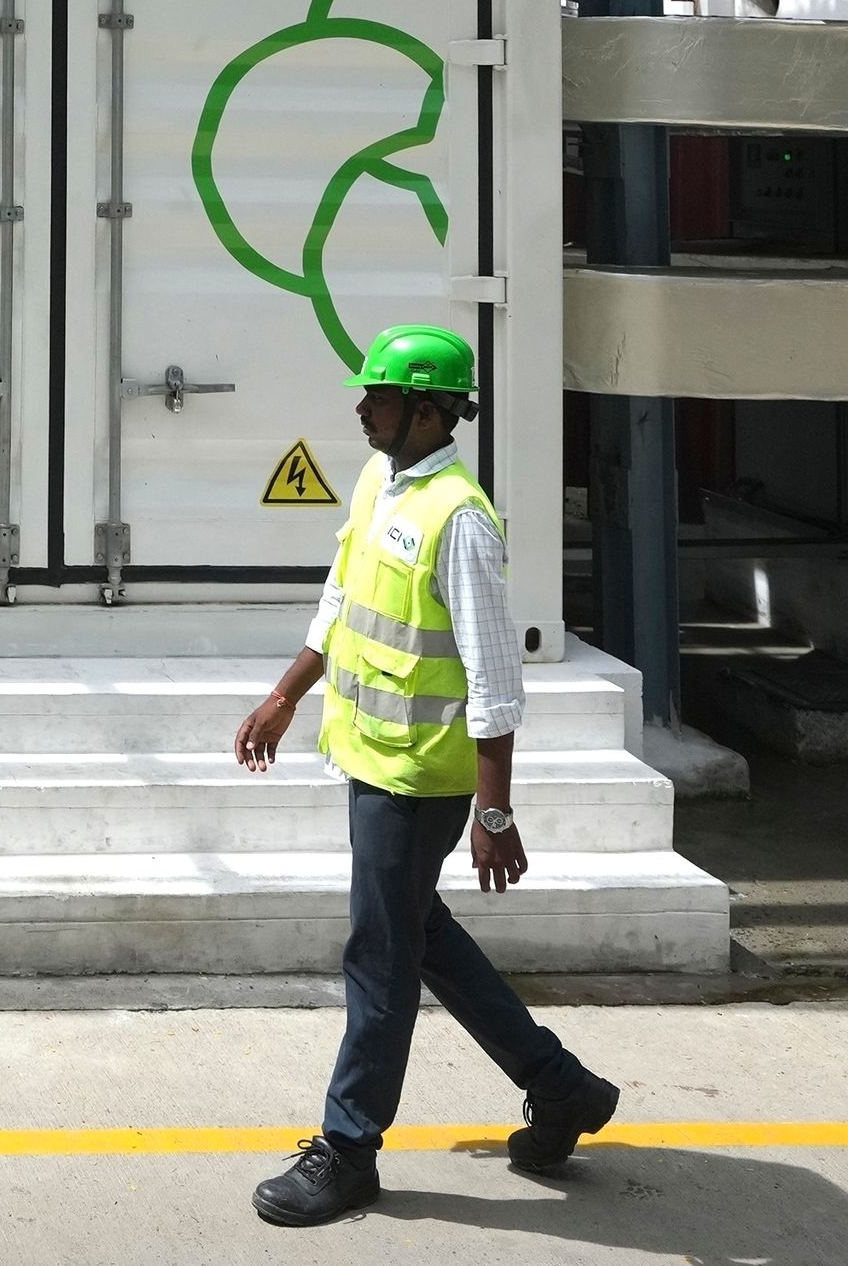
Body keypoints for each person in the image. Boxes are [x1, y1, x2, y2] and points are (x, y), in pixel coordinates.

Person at [231, 324, 620, 1228]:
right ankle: (561, 1089)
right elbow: (341, 596)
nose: (360, 405)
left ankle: (350, 1147)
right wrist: (286, 694)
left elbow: (495, 676)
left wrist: (493, 809)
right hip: (371, 757)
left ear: (427, 411)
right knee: (418, 932)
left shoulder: (462, 522)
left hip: (422, 779)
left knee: (380, 953)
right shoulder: (382, 480)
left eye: (377, 395)